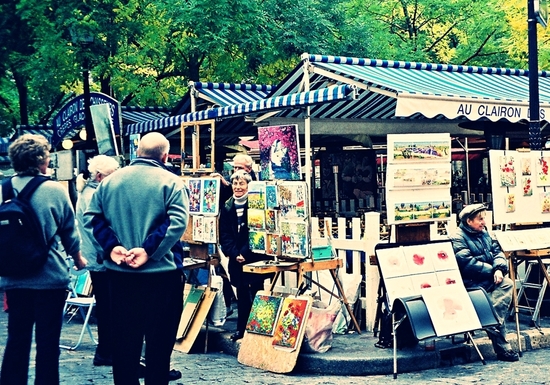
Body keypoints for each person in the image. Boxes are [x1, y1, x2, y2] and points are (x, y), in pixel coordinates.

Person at [83, 132, 189, 384]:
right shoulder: (172, 182)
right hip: (162, 275)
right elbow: (177, 222)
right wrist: (149, 250)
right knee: (159, 347)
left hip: (120, 276)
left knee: (124, 346)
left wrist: (112, 248)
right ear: (165, 155)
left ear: (138, 152)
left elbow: (91, 218)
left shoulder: (109, 182)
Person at [0, 134, 87, 384]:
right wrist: (78, 258)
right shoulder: (53, 190)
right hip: (50, 277)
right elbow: (69, 231)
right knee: (48, 341)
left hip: (14, 277)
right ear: (40, 161)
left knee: (17, 338)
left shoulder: (2, 189)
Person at [450, 203, 519, 362]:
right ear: (469, 221)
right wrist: (492, 271)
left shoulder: (485, 233)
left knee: (507, 283)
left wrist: (499, 269)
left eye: (484, 219)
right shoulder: (457, 237)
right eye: (480, 219)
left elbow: (497, 253)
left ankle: (490, 320)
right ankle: (503, 349)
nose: (484, 222)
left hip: (489, 280)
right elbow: (467, 263)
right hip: (472, 284)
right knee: (493, 303)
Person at [75, 154, 120, 367]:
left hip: (99, 257)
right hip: (101, 259)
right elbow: (96, 230)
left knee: (108, 307)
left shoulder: (90, 192)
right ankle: (105, 351)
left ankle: (106, 350)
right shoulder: (92, 195)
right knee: (108, 308)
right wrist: (112, 250)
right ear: (100, 176)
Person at [218, 170, 272, 341]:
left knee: (257, 291)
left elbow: (258, 231)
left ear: (248, 186)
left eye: (242, 184)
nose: (238, 187)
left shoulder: (256, 204)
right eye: (235, 183)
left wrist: (245, 253)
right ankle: (242, 329)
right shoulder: (227, 206)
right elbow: (224, 234)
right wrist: (234, 253)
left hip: (254, 256)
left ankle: (258, 329)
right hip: (236, 259)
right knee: (241, 294)